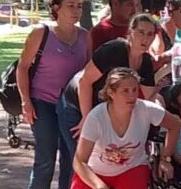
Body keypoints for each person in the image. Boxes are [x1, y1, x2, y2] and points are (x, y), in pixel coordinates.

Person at [66, 69, 181, 189]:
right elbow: (79, 161)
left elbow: (175, 124)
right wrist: (101, 188)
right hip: (95, 170)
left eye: (135, 90)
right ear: (111, 93)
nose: (132, 96)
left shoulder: (145, 109)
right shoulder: (96, 117)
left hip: (131, 167)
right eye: (125, 91)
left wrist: (165, 157)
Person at [18, 0, 92, 189]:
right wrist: (26, 101)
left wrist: (86, 111)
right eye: (71, 5)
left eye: (79, 6)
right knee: (45, 159)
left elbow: (89, 76)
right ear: (56, 8)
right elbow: (23, 68)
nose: (76, 10)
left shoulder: (85, 37)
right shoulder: (42, 33)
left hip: (71, 107)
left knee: (72, 160)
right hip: (43, 103)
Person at [61, 14, 159, 159]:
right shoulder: (113, 50)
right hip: (77, 104)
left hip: (102, 109)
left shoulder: (144, 61)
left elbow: (150, 97)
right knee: (80, 159)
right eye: (141, 32)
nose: (145, 38)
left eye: (150, 34)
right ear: (131, 32)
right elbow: (84, 81)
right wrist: (86, 119)